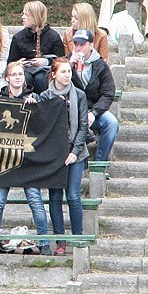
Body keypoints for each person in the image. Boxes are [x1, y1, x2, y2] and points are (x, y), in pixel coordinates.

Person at [0, 61, 51, 255]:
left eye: (20, 74)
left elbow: (43, 125)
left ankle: (44, 241)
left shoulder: (35, 97)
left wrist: (35, 107)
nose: (17, 77)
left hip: (27, 158)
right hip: (3, 158)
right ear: (7, 77)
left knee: (35, 199)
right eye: (13, 74)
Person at [39, 58, 89, 256]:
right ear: (54, 75)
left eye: (69, 71)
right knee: (55, 197)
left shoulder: (79, 95)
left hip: (75, 151)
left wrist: (75, 152)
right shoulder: (45, 96)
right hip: (54, 153)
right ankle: (60, 241)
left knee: (74, 196)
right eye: (63, 72)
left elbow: (83, 126)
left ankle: (78, 237)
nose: (67, 75)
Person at [69, 29, 118, 163]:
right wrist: (68, 65)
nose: (78, 48)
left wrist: (95, 112)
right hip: (72, 110)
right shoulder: (66, 63)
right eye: (76, 44)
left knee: (111, 123)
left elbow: (108, 93)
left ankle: (99, 163)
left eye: (82, 44)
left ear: (91, 45)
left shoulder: (100, 65)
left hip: (93, 110)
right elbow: (52, 82)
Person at [7, 0, 64, 94]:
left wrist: (46, 62)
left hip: (46, 71)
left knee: (40, 79)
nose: (23, 17)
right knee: (25, 78)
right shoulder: (18, 37)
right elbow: (10, 62)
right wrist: (18, 64)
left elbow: (61, 61)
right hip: (25, 71)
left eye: (26, 15)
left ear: (35, 16)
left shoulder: (53, 37)